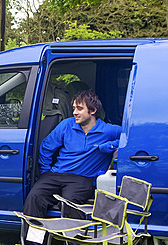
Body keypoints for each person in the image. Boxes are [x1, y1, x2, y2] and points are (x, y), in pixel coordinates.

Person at [23, 89, 121, 221]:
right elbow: (46, 147)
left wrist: (109, 146)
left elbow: (133, 137)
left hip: (83, 178)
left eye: (79, 108)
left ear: (93, 111)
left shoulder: (109, 130)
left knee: (69, 204)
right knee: (34, 197)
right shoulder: (66, 125)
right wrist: (46, 172)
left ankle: (73, 241)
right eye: (74, 108)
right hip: (56, 174)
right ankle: (33, 241)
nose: (75, 112)